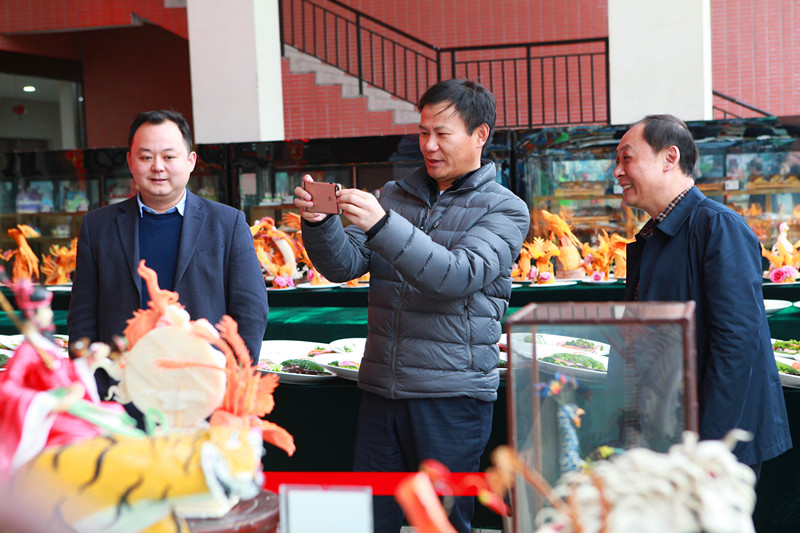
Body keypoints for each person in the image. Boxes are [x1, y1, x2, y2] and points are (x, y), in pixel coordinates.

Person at [294, 79, 530, 533]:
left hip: (452, 396)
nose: (429, 145)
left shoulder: (506, 209)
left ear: (480, 135)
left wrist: (383, 224)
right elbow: (342, 266)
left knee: (440, 522)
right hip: (382, 390)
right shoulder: (396, 194)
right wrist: (321, 222)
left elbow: (455, 276)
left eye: (443, 133)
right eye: (424, 133)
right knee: (372, 520)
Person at [615, 114, 792, 476]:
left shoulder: (717, 225)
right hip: (666, 428)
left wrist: (710, 446)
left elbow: (737, 341)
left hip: (710, 442)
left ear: (670, 158)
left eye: (627, 158)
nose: (617, 172)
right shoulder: (654, 234)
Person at [68, 110, 268, 414]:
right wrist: (92, 384)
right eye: (146, 157)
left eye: (169, 156)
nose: (158, 167)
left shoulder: (227, 223)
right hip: (121, 392)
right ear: (130, 162)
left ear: (190, 161)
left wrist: (231, 382)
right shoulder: (98, 226)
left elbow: (251, 310)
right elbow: (82, 315)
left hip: (204, 392)